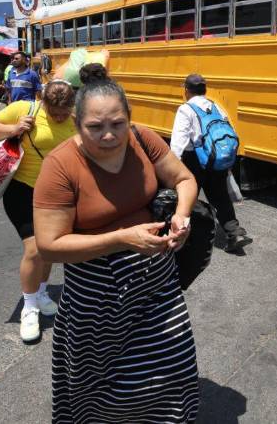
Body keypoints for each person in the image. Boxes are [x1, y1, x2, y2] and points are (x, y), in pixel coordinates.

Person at [33, 65, 200, 423]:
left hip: (158, 287)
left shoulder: (143, 138)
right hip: (96, 301)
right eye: (95, 127)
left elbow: (184, 178)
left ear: (129, 119)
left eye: (117, 124)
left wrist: (182, 215)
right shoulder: (60, 166)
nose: (108, 135)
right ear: (77, 124)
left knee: (172, 367)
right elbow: (48, 245)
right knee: (105, 392)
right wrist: (121, 239)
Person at [0, 79, 77, 343]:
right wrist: (15, 128)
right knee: (34, 248)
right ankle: (29, 308)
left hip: (56, 195)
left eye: (64, 113)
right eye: (54, 112)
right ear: (42, 101)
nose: (59, 118)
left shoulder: (76, 120)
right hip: (22, 190)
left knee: (50, 249)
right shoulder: (26, 108)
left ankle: (42, 292)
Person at [171, 73, 252, 253]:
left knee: (187, 199)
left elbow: (178, 143)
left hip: (195, 161)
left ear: (187, 90)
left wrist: (172, 167)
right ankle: (235, 233)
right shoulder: (215, 105)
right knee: (220, 196)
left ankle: (181, 237)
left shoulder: (186, 109)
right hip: (215, 159)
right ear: (204, 90)